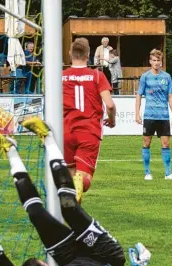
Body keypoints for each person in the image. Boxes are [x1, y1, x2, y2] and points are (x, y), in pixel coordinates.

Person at [0, 120, 151, 266]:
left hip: (71, 258)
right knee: (69, 207)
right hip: (107, 259)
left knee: (36, 214)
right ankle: (48, 138)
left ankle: (10, 150)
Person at [63, 38, 116, 202]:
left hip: (66, 131)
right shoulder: (97, 76)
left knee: (71, 178)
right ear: (88, 55)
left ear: (70, 53)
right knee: (83, 180)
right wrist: (112, 120)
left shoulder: (61, 77)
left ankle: (73, 220)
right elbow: (110, 105)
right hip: (89, 132)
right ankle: (80, 188)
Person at [135, 49, 172, 181]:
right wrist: (137, 113)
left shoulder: (167, 77)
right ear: (150, 61)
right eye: (153, 60)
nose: (156, 63)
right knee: (146, 143)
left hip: (163, 116)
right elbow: (139, 95)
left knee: (166, 144)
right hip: (149, 115)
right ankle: (147, 172)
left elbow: (170, 96)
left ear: (161, 62)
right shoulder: (145, 77)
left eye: (158, 60)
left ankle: (168, 173)